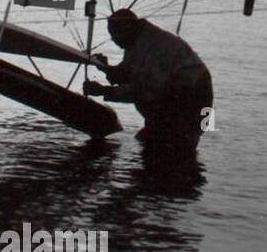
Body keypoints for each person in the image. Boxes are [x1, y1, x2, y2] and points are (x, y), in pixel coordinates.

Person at [83, 8, 213, 151]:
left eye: (114, 35)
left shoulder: (154, 46)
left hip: (192, 100)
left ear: (126, 29)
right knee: (149, 141)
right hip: (174, 99)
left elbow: (144, 90)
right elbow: (128, 74)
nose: (113, 40)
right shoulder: (135, 40)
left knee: (169, 145)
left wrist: (103, 91)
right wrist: (105, 67)